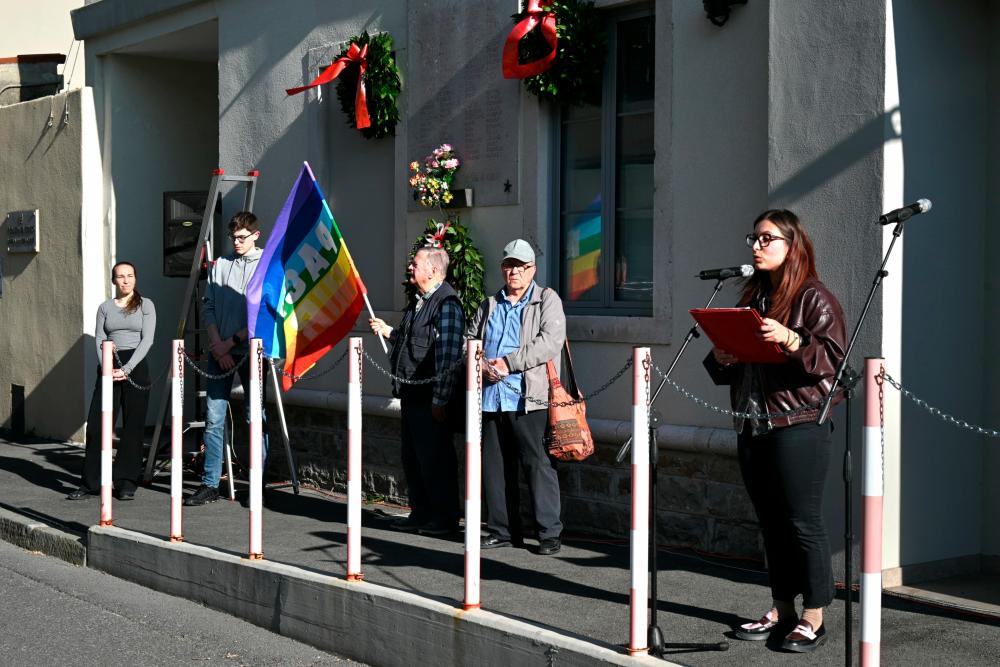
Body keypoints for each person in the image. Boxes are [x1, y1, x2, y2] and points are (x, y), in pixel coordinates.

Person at [703, 209, 847, 653]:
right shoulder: (754, 296)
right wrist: (723, 358)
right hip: (753, 422)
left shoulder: (814, 298)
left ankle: (814, 616)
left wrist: (793, 340)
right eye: (754, 238)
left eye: (767, 239)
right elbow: (742, 365)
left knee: (802, 523)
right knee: (770, 523)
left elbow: (833, 363)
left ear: (792, 245)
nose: (756, 246)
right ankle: (782, 609)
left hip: (799, 423)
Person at [468, 239, 566, 556]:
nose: (514, 272)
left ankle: (549, 533)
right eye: (509, 265)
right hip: (492, 397)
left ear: (532, 269)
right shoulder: (489, 304)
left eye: (521, 266)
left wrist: (508, 363)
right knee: (496, 467)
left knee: (538, 465)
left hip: (530, 398)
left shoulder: (546, 300)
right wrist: (480, 365)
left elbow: (549, 342)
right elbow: (469, 341)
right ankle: (502, 529)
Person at [369, 246, 464, 535]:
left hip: (430, 398)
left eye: (415, 264)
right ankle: (420, 513)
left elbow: (447, 355)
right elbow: (412, 339)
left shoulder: (446, 303)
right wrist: (388, 331)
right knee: (414, 458)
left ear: (434, 271)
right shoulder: (419, 301)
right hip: (412, 395)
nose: (410, 267)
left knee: (436, 459)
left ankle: (444, 519)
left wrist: (440, 399)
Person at [185, 211, 268, 506]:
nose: (237, 242)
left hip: (249, 351)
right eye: (233, 237)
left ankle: (257, 483)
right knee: (214, 416)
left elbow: (264, 314)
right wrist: (217, 343)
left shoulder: (266, 265)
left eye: (242, 237)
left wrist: (232, 342)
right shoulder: (221, 266)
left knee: (253, 416)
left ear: (256, 236)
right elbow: (207, 306)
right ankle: (210, 483)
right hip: (220, 349)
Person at [68, 261, 156, 501]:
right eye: (120, 276)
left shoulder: (145, 305)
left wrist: (127, 368)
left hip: (135, 366)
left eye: (130, 276)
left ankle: (126, 482)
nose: (126, 280)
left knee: (133, 427)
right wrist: (108, 366)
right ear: (114, 280)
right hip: (109, 363)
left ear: (135, 278)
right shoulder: (105, 307)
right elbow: (99, 337)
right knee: (97, 426)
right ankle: (90, 483)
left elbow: (147, 340)